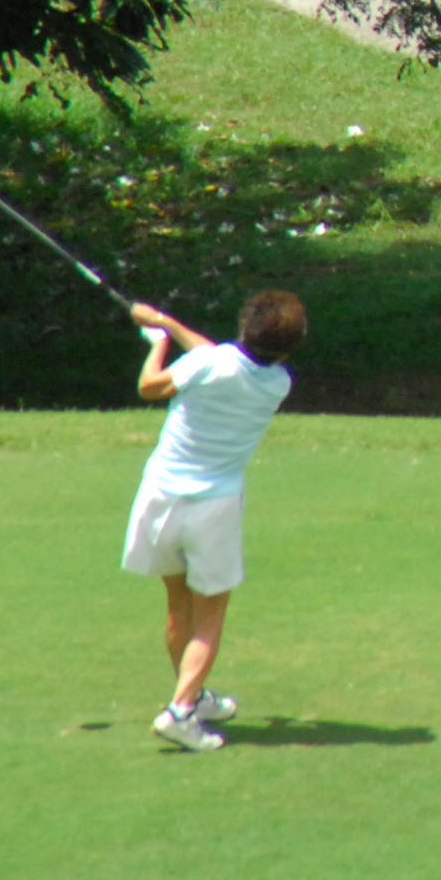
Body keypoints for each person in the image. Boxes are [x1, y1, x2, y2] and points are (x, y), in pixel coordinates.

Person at [121, 291, 299, 752]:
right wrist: (164, 321)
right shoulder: (278, 382)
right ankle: (180, 712)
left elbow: (150, 385)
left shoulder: (208, 364)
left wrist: (157, 341)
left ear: (244, 330)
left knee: (178, 604)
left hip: (159, 498)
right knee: (211, 614)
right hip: (212, 508)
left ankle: (193, 696)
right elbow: (212, 356)